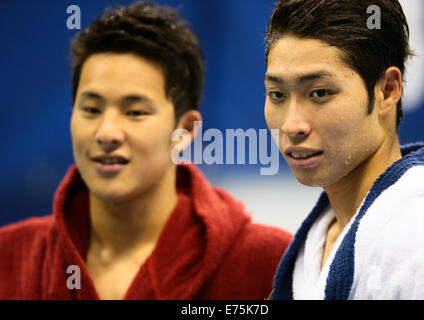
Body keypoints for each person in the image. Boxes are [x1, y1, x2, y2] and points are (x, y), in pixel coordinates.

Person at [0, 1, 292, 300]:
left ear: (186, 131)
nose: (107, 133)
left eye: (136, 112)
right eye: (90, 109)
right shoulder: (10, 258)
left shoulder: (269, 264)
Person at [263, 0, 424, 299]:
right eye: (277, 94)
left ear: (387, 90)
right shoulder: (318, 243)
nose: (291, 125)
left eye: (320, 93)